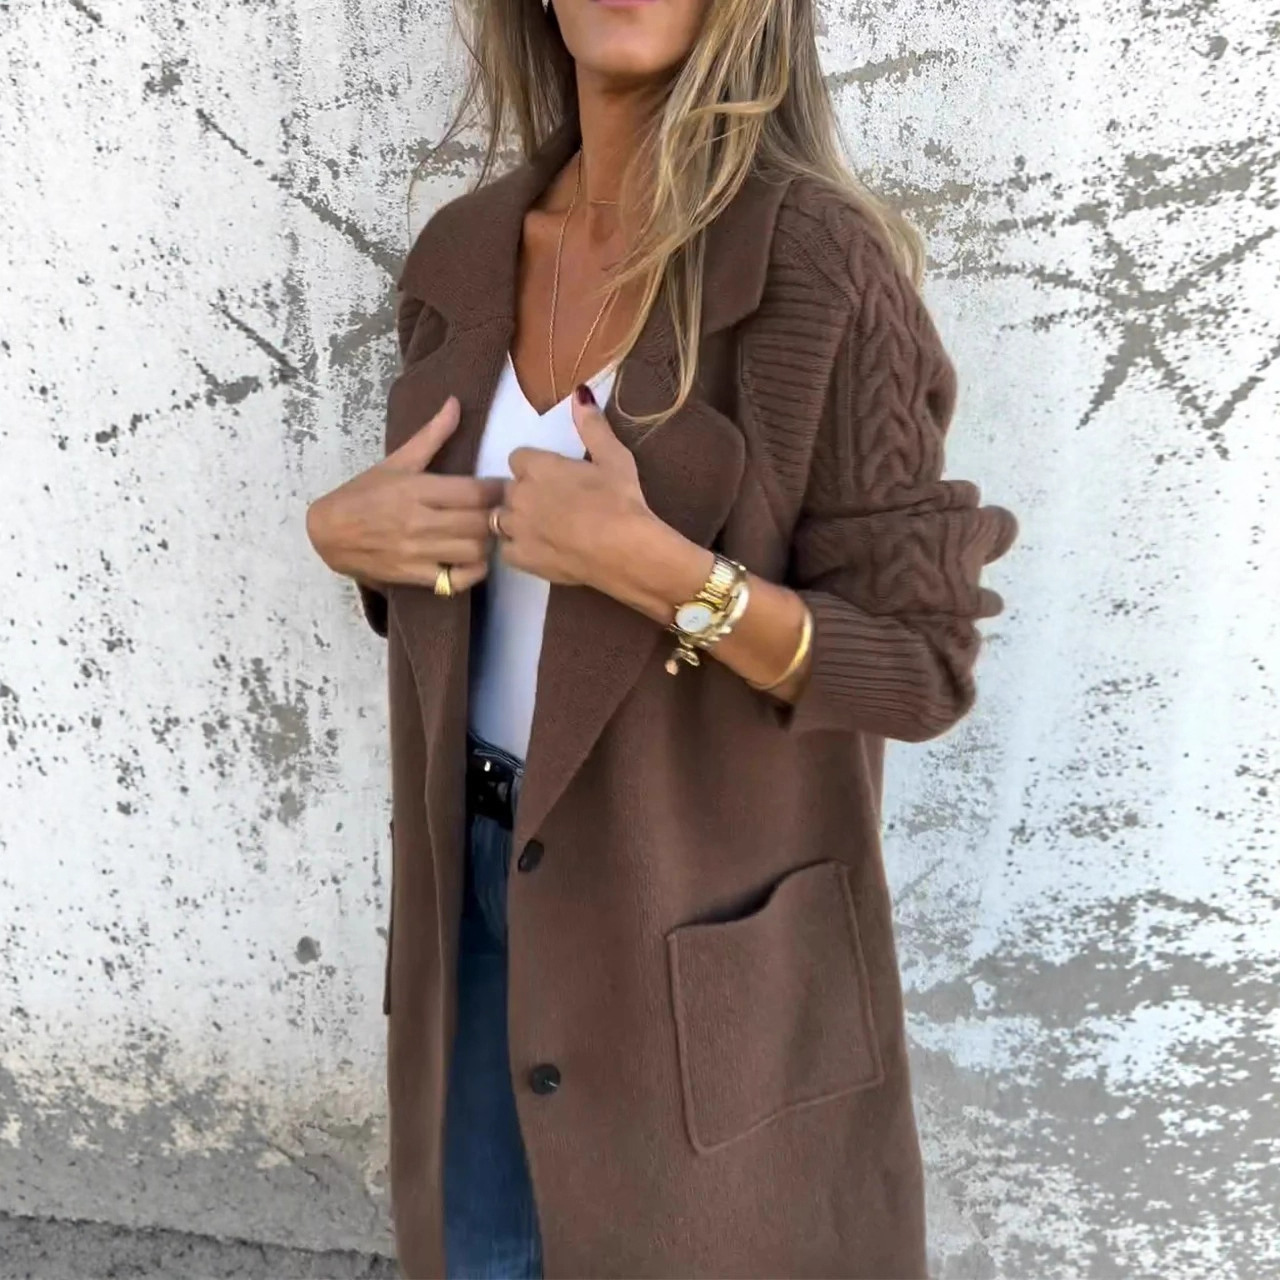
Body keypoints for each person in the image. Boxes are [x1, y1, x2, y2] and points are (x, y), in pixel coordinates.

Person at [306, 0, 1017, 1276]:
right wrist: (358, 542)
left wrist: (665, 574)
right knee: (475, 1253)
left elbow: (921, 663)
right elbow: (472, 585)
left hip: (685, 907)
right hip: (467, 876)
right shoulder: (464, 251)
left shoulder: (818, 266)